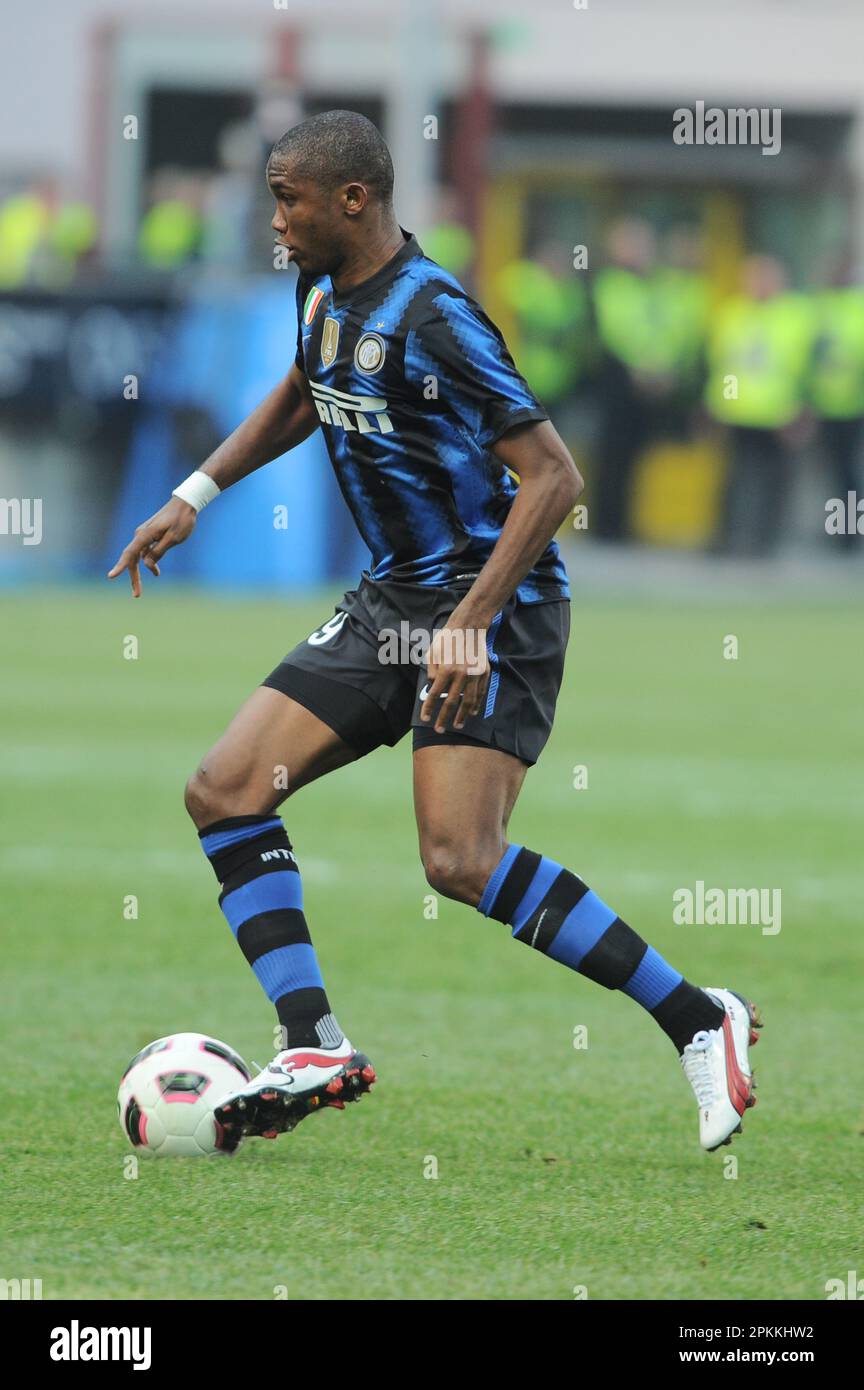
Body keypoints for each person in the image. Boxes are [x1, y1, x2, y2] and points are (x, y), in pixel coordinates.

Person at [108, 110, 761, 1154]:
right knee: (223, 790)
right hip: (391, 599)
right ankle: (312, 1038)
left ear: (354, 200)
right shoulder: (318, 282)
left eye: (290, 199)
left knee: (459, 860)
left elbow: (555, 477)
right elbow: (304, 387)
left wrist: (468, 623)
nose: (275, 220)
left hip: (495, 604)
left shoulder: (437, 316)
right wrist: (198, 489)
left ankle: (698, 1016)